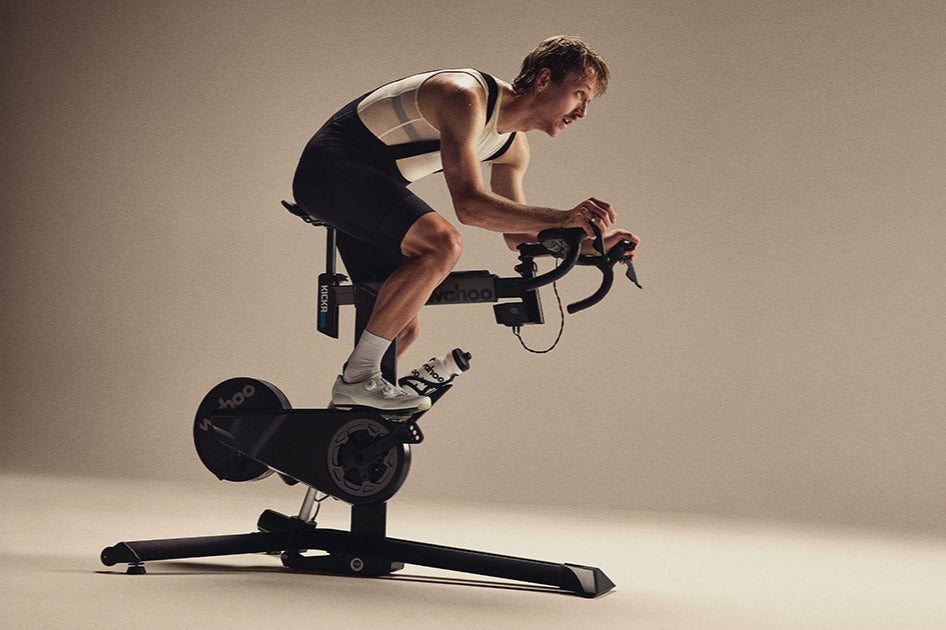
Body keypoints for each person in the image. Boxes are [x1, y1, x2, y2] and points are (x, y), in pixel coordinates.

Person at [292, 35, 640, 411]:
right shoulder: (465, 95)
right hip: (328, 173)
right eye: (580, 94)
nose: (583, 112)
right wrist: (562, 217)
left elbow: (518, 235)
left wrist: (584, 242)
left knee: (399, 326)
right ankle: (356, 381)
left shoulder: (513, 148)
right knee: (442, 244)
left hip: (368, 191)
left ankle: (335, 427)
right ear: (543, 80)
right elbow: (471, 206)